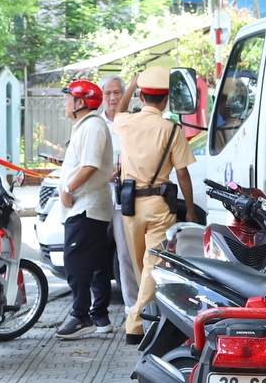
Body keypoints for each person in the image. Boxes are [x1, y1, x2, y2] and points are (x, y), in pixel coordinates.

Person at [115, 66, 196, 344]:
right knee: (152, 264)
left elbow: (117, 112)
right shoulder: (172, 130)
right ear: (165, 100)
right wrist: (192, 209)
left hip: (129, 206)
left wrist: (131, 85)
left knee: (143, 265)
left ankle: (140, 319)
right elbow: (183, 173)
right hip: (160, 206)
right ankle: (137, 320)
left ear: (142, 96)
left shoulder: (126, 123)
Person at [55, 78, 116, 339]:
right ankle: (100, 316)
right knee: (96, 262)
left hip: (86, 206)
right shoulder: (86, 126)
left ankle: (81, 315)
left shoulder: (92, 126)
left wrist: (68, 190)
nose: (66, 103)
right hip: (87, 206)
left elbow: (89, 166)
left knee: (75, 262)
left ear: (80, 102)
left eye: (69, 98)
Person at [99, 75, 135, 312]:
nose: (112, 98)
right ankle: (96, 310)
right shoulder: (94, 123)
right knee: (95, 256)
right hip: (99, 198)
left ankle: (132, 306)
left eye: (117, 93)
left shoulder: (133, 123)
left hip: (126, 198)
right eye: (108, 93)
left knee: (126, 254)